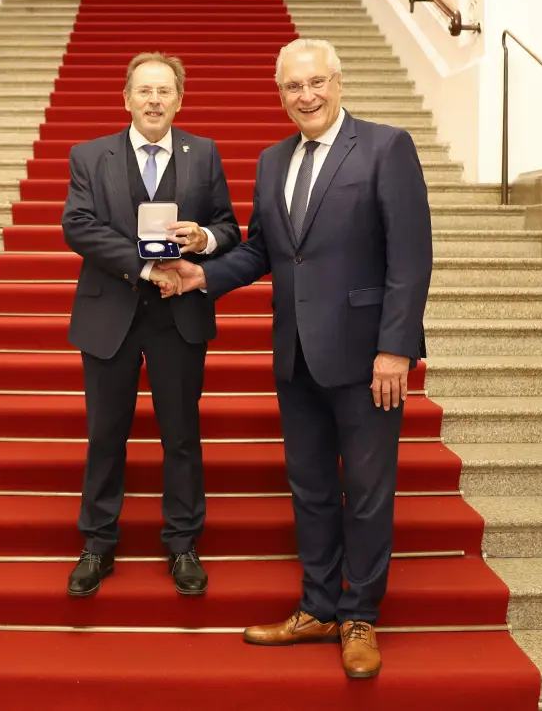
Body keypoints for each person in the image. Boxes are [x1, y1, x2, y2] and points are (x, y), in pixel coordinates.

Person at [156, 38, 433, 678]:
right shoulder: (273, 159)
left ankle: (359, 615)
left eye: (316, 82)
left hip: (368, 359)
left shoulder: (386, 147)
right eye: (292, 87)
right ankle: (318, 607)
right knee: (310, 490)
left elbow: (410, 257)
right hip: (297, 355)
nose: (306, 96)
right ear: (279, 93)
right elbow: (264, 249)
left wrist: (395, 348)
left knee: (367, 492)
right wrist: (203, 276)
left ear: (338, 82)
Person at [59, 51, 241, 599]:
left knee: (181, 435)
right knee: (105, 435)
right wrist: (144, 267)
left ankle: (183, 542)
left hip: (179, 316)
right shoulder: (90, 155)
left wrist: (203, 240)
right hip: (109, 314)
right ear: (127, 99)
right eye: (144, 91)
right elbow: (78, 225)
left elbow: (229, 227)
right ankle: (97, 544)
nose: (154, 101)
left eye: (164, 91)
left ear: (179, 100)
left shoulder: (204, 153)